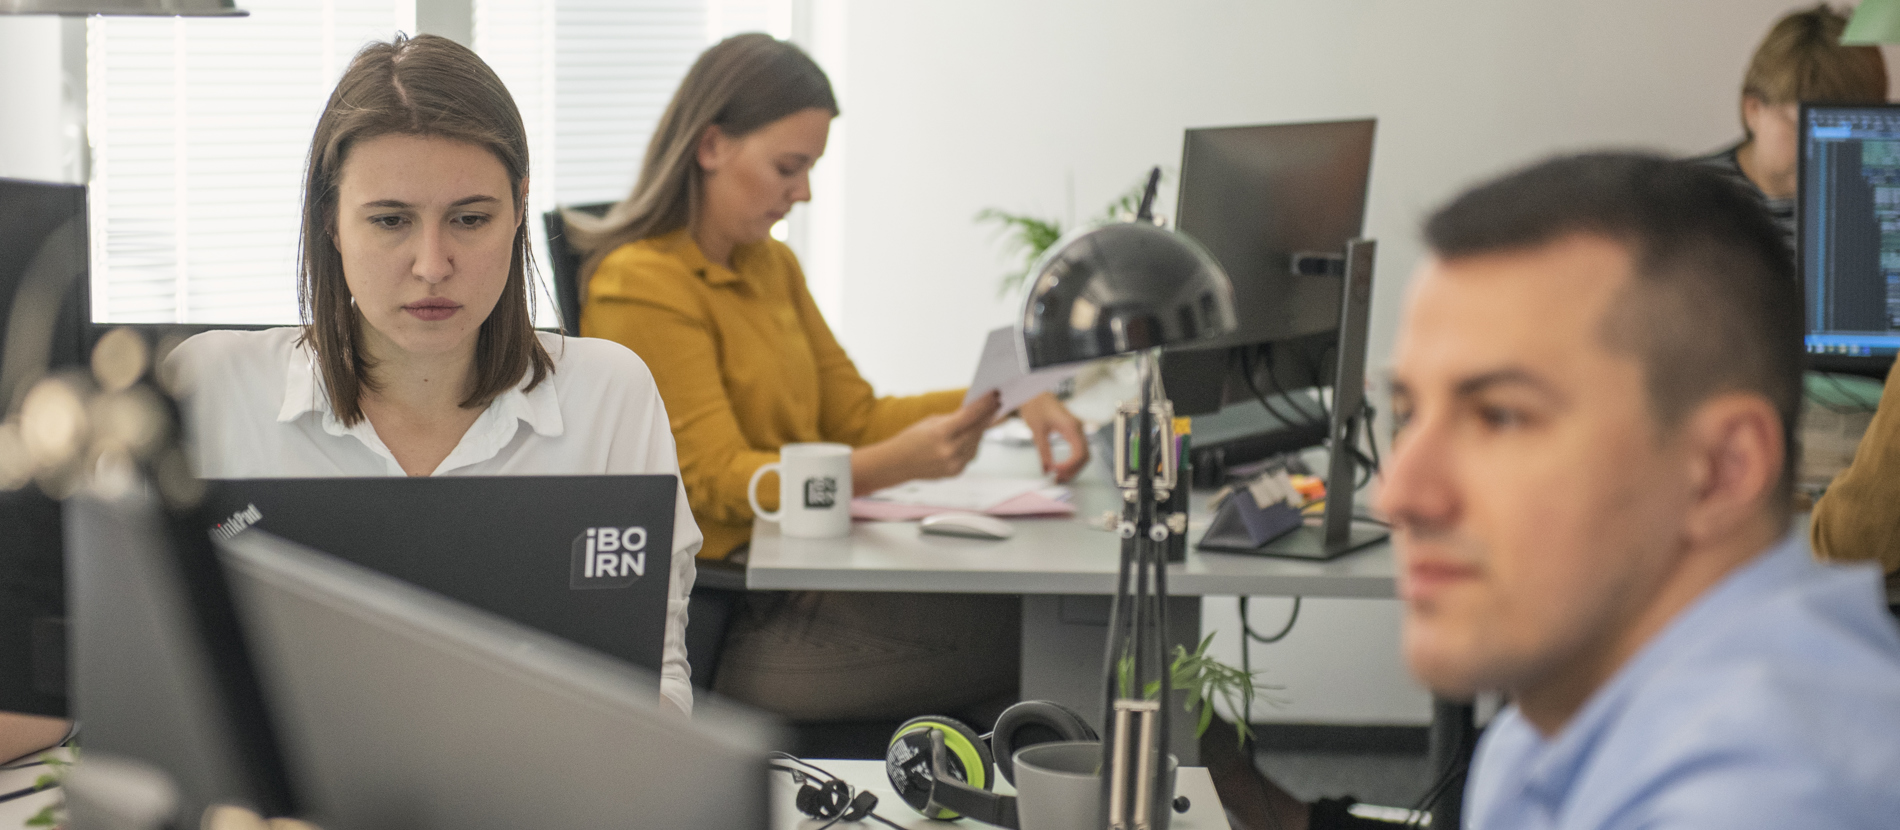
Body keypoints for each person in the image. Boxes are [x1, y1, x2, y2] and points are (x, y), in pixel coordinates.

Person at [164, 34, 701, 715]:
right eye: (390, 220)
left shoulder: (610, 394)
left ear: (517, 211)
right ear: (331, 220)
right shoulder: (207, 388)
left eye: (470, 219)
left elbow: (654, 674)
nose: (432, 264)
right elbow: (139, 660)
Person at [565, 33, 1089, 723]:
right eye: (789, 166)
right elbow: (713, 481)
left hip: (804, 580)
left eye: (809, 168)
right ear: (712, 145)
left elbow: (856, 417)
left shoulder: (768, 265)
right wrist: (882, 468)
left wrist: (1014, 398)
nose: (803, 192)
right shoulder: (640, 284)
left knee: (1063, 629)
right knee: (1067, 638)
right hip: (735, 617)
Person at [1380, 153, 1900, 828]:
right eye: (1406, 413)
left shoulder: (1762, 796)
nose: (1399, 495)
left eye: (1500, 416)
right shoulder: (1544, 727)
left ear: (1721, 468)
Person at [1693, 4, 1887, 253]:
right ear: (1752, 109)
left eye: (1847, 131)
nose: (1822, 149)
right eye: (1802, 125)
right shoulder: (1687, 200)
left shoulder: (1882, 199)